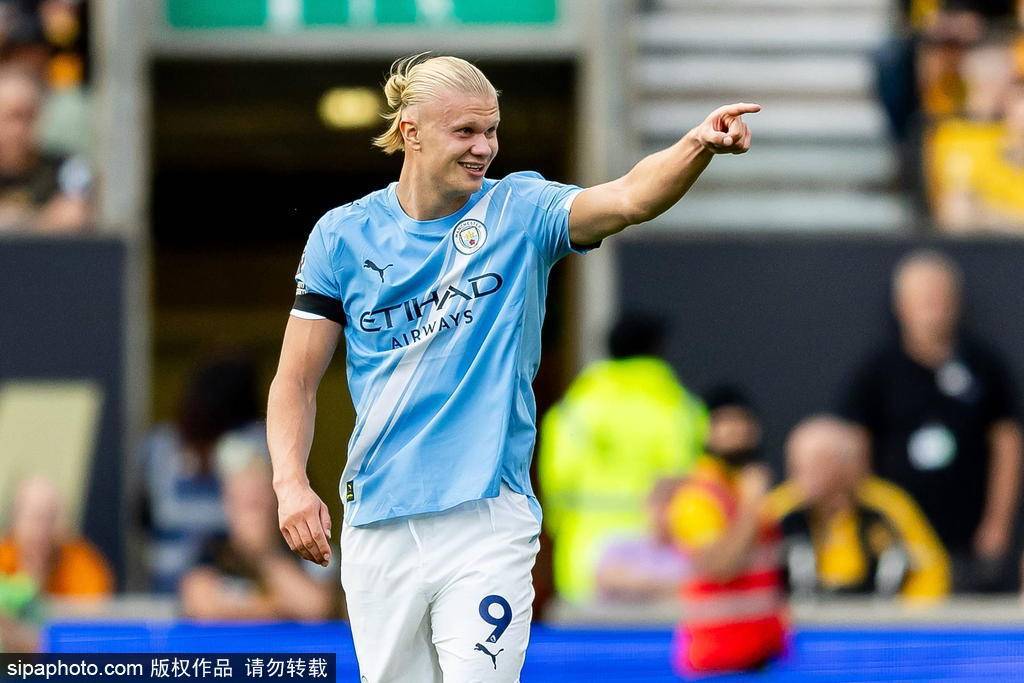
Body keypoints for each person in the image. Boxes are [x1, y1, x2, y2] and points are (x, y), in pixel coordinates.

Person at [267, 52, 758, 682]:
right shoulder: (343, 235)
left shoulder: (520, 210)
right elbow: (295, 380)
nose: (484, 147)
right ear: (411, 131)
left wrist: (697, 145)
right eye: (465, 131)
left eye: (491, 130)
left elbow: (630, 197)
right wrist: (290, 484)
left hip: (488, 518)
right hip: (379, 522)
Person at [840, 251, 1022, 591]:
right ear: (901, 305)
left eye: (942, 297)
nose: (935, 308)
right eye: (924, 299)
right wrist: (870, 525)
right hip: (900, 540)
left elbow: (1007, 445)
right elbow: (855, 449)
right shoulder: (876, 371)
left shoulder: (984, 366)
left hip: (968, 538)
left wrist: (997, 525)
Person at [538, 312, 706, 604]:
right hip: (664, 565)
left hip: (584, 559)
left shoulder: (574, 411)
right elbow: (695, 486)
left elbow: (556, 487)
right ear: (657, 349)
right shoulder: (683, 411)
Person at [664, 386, 787, 675]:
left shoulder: (747, 487)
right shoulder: (697, 498)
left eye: (743, 422)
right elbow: (719, 566)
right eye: (725, 423)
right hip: (716, 658)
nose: (737, 432)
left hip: (760, 656)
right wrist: (751, 507)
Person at [768, 416, 951, 601]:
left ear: (845, 464)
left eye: (817, 463)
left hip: (878, 614)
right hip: (800, 615)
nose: (802, 475)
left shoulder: (886, 505)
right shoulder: (779, 509)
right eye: (797, 464)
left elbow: (931, 570)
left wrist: (907, 614)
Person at [137, 356, 265, 593]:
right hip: (166, 585)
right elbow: (147, 516)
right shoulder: (161, 446)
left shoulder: (252, 443)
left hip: (235, 585)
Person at [179, 449, 336, 622]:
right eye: (243, 502)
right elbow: (201, 605)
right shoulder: (212, 548)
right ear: (228, 503)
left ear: (275, 501)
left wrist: (264, 554)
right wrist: (281, 607)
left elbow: (317, 607)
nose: (251, 513)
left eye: (257, 502)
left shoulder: (304, 542)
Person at [0, 66, 89, 233]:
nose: (20, 128)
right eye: (13, 116)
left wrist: (14, 220)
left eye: (30, 116)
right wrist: (44, 219)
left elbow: (74, 216)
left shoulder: (64, 167)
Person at [593, 477, 690, 603]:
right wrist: (668, 586)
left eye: (675, 504)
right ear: (647, 504)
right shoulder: (620, 543)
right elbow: (606, 579)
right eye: (661, 503)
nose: (668, 513)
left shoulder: (694, 552)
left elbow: (696, 588)